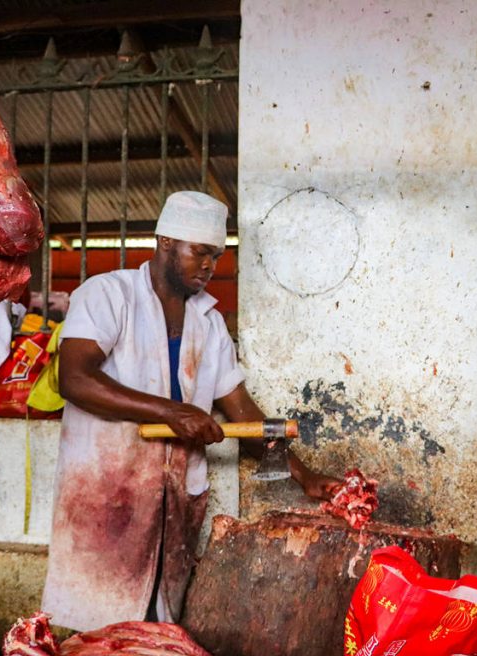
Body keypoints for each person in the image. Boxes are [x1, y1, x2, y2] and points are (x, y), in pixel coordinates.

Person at [41, 190, 339, 631]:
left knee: (158, 628)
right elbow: (76, 380)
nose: (208, 266)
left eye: (216, 256)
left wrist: (303, 474)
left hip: (175, 497)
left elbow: (240, 409)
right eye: (199, 252)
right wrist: (172, 412)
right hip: (110, 487)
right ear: (165, 241)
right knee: (97, 624)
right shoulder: (108, 294)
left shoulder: (209, 322)